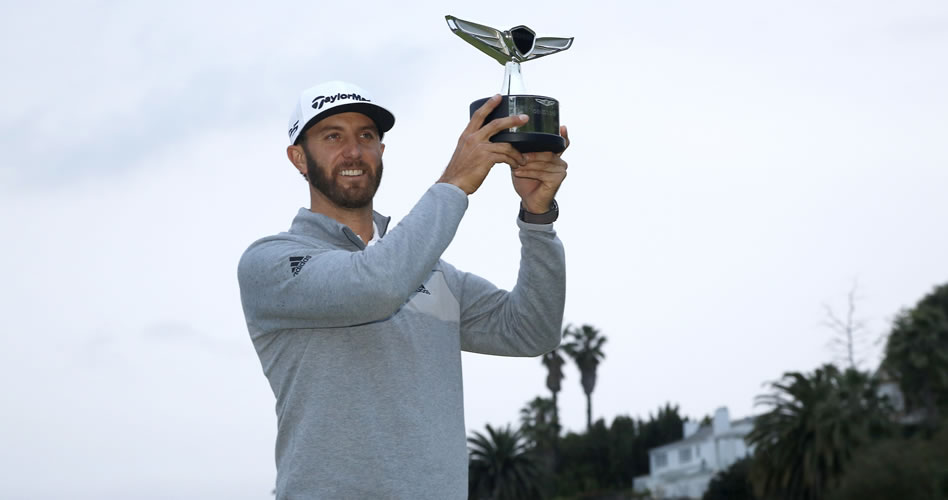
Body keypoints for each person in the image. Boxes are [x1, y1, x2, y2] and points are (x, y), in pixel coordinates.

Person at [237, 80, 568, 499]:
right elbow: (376, 284)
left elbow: (532, 331)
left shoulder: (430, 271)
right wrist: (454, 182)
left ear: (381, 151)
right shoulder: (270, 262)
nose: (353, 151)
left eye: (367, 136)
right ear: (298, 158)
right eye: (332, 136)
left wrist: (538, 218)